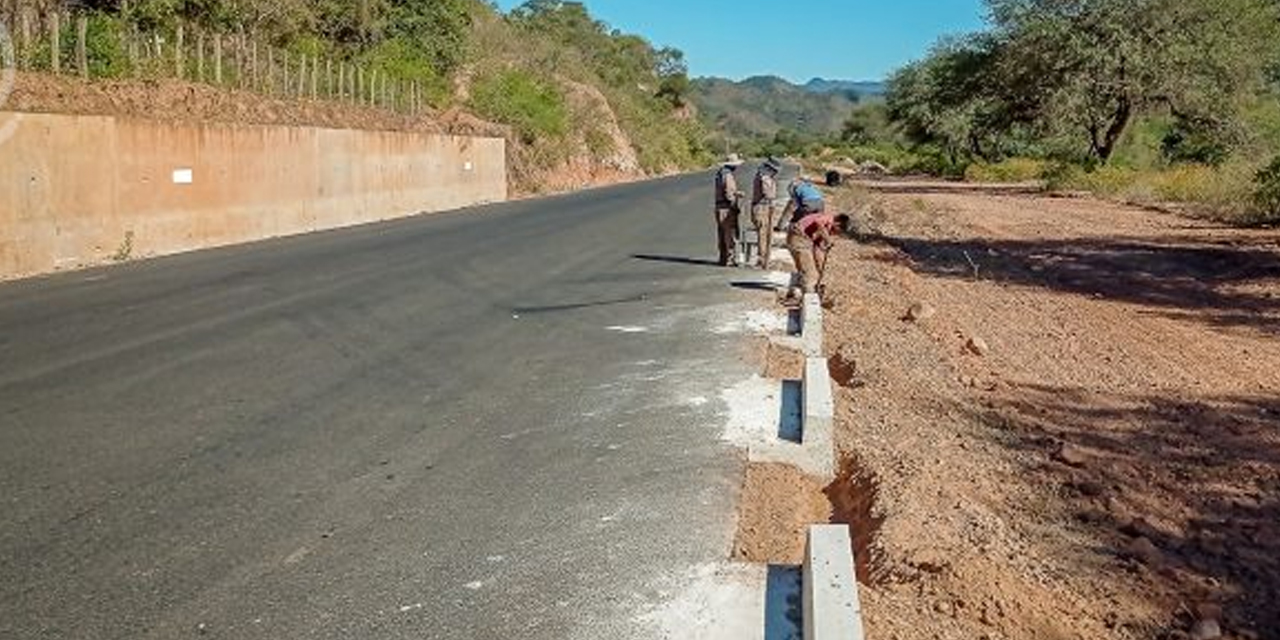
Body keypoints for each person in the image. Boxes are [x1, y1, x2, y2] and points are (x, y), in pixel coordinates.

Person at [786, 211, 852, 295]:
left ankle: (800, 293)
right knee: (810, 273)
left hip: (801, 239)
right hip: (799, 237)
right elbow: (818, 222)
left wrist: (820, 268)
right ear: (837, 223)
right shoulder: (828, 218)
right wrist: (827, 239)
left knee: (806, 270)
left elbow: (816, 249)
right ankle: (810, 297)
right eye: (838, 231)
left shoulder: (824, 228)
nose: (836, 233)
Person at [713, 153, 746, 267]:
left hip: (719, 207)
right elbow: (728, 193)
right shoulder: (728, 175)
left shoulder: (720, 174)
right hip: (726, 208)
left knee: (722, 233)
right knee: (730, 233)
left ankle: (723, 258)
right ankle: (730, 258)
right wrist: (735, 202)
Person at [751, 157, 782, 269]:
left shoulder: (765, 176)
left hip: (766, 206)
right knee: (763, 234)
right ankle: (762, 260)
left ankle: (766, 260)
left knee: (768, 234)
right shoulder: (764, 176)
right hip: (761, 207)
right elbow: (767, 193)